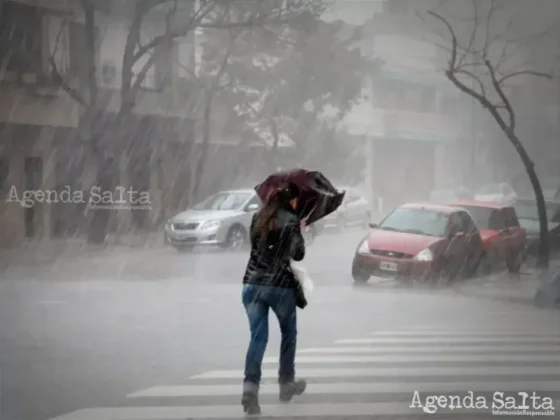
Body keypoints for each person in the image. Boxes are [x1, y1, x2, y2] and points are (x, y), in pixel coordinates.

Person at [241, 181, 307, 415]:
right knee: (288, 334)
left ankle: (250, 388)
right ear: (291, 200)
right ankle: (286, 383)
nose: (297, 203)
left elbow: (258, 248)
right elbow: (298, 254)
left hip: (251, 284)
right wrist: (299, 229)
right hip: (278, 286)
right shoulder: (290, 220)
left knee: (258, 338)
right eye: (296, 200)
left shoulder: (258, 217)